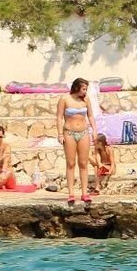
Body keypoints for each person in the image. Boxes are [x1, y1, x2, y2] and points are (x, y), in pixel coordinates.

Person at [57, 77, 94, 205]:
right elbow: (59, 117)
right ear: (77, 87)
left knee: (83, 163)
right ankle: (71, 193)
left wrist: (94, 130)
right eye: (83, 89)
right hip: (69, 133)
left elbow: (90, 115)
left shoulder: (86, 100)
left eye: (86, 89)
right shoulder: (64, 99)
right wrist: (60, 134)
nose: (85, 92)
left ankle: (84, 192)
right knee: (71, 163)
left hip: (83, 132)